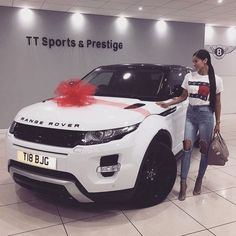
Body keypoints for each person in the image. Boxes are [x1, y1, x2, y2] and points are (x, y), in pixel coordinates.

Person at [156, 49, 223, 201]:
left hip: (206, 115)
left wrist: (218, 122)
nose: (193, 64)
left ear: (205, 60)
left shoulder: (216, 80)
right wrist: (167, 103)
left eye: (196, 61)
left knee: (204, 151)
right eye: (193, 61)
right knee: (187, 148)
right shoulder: (189, 76)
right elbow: (182, 96)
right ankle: (183, 183)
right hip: (191, 114)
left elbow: (218, 103)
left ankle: (199, 180)